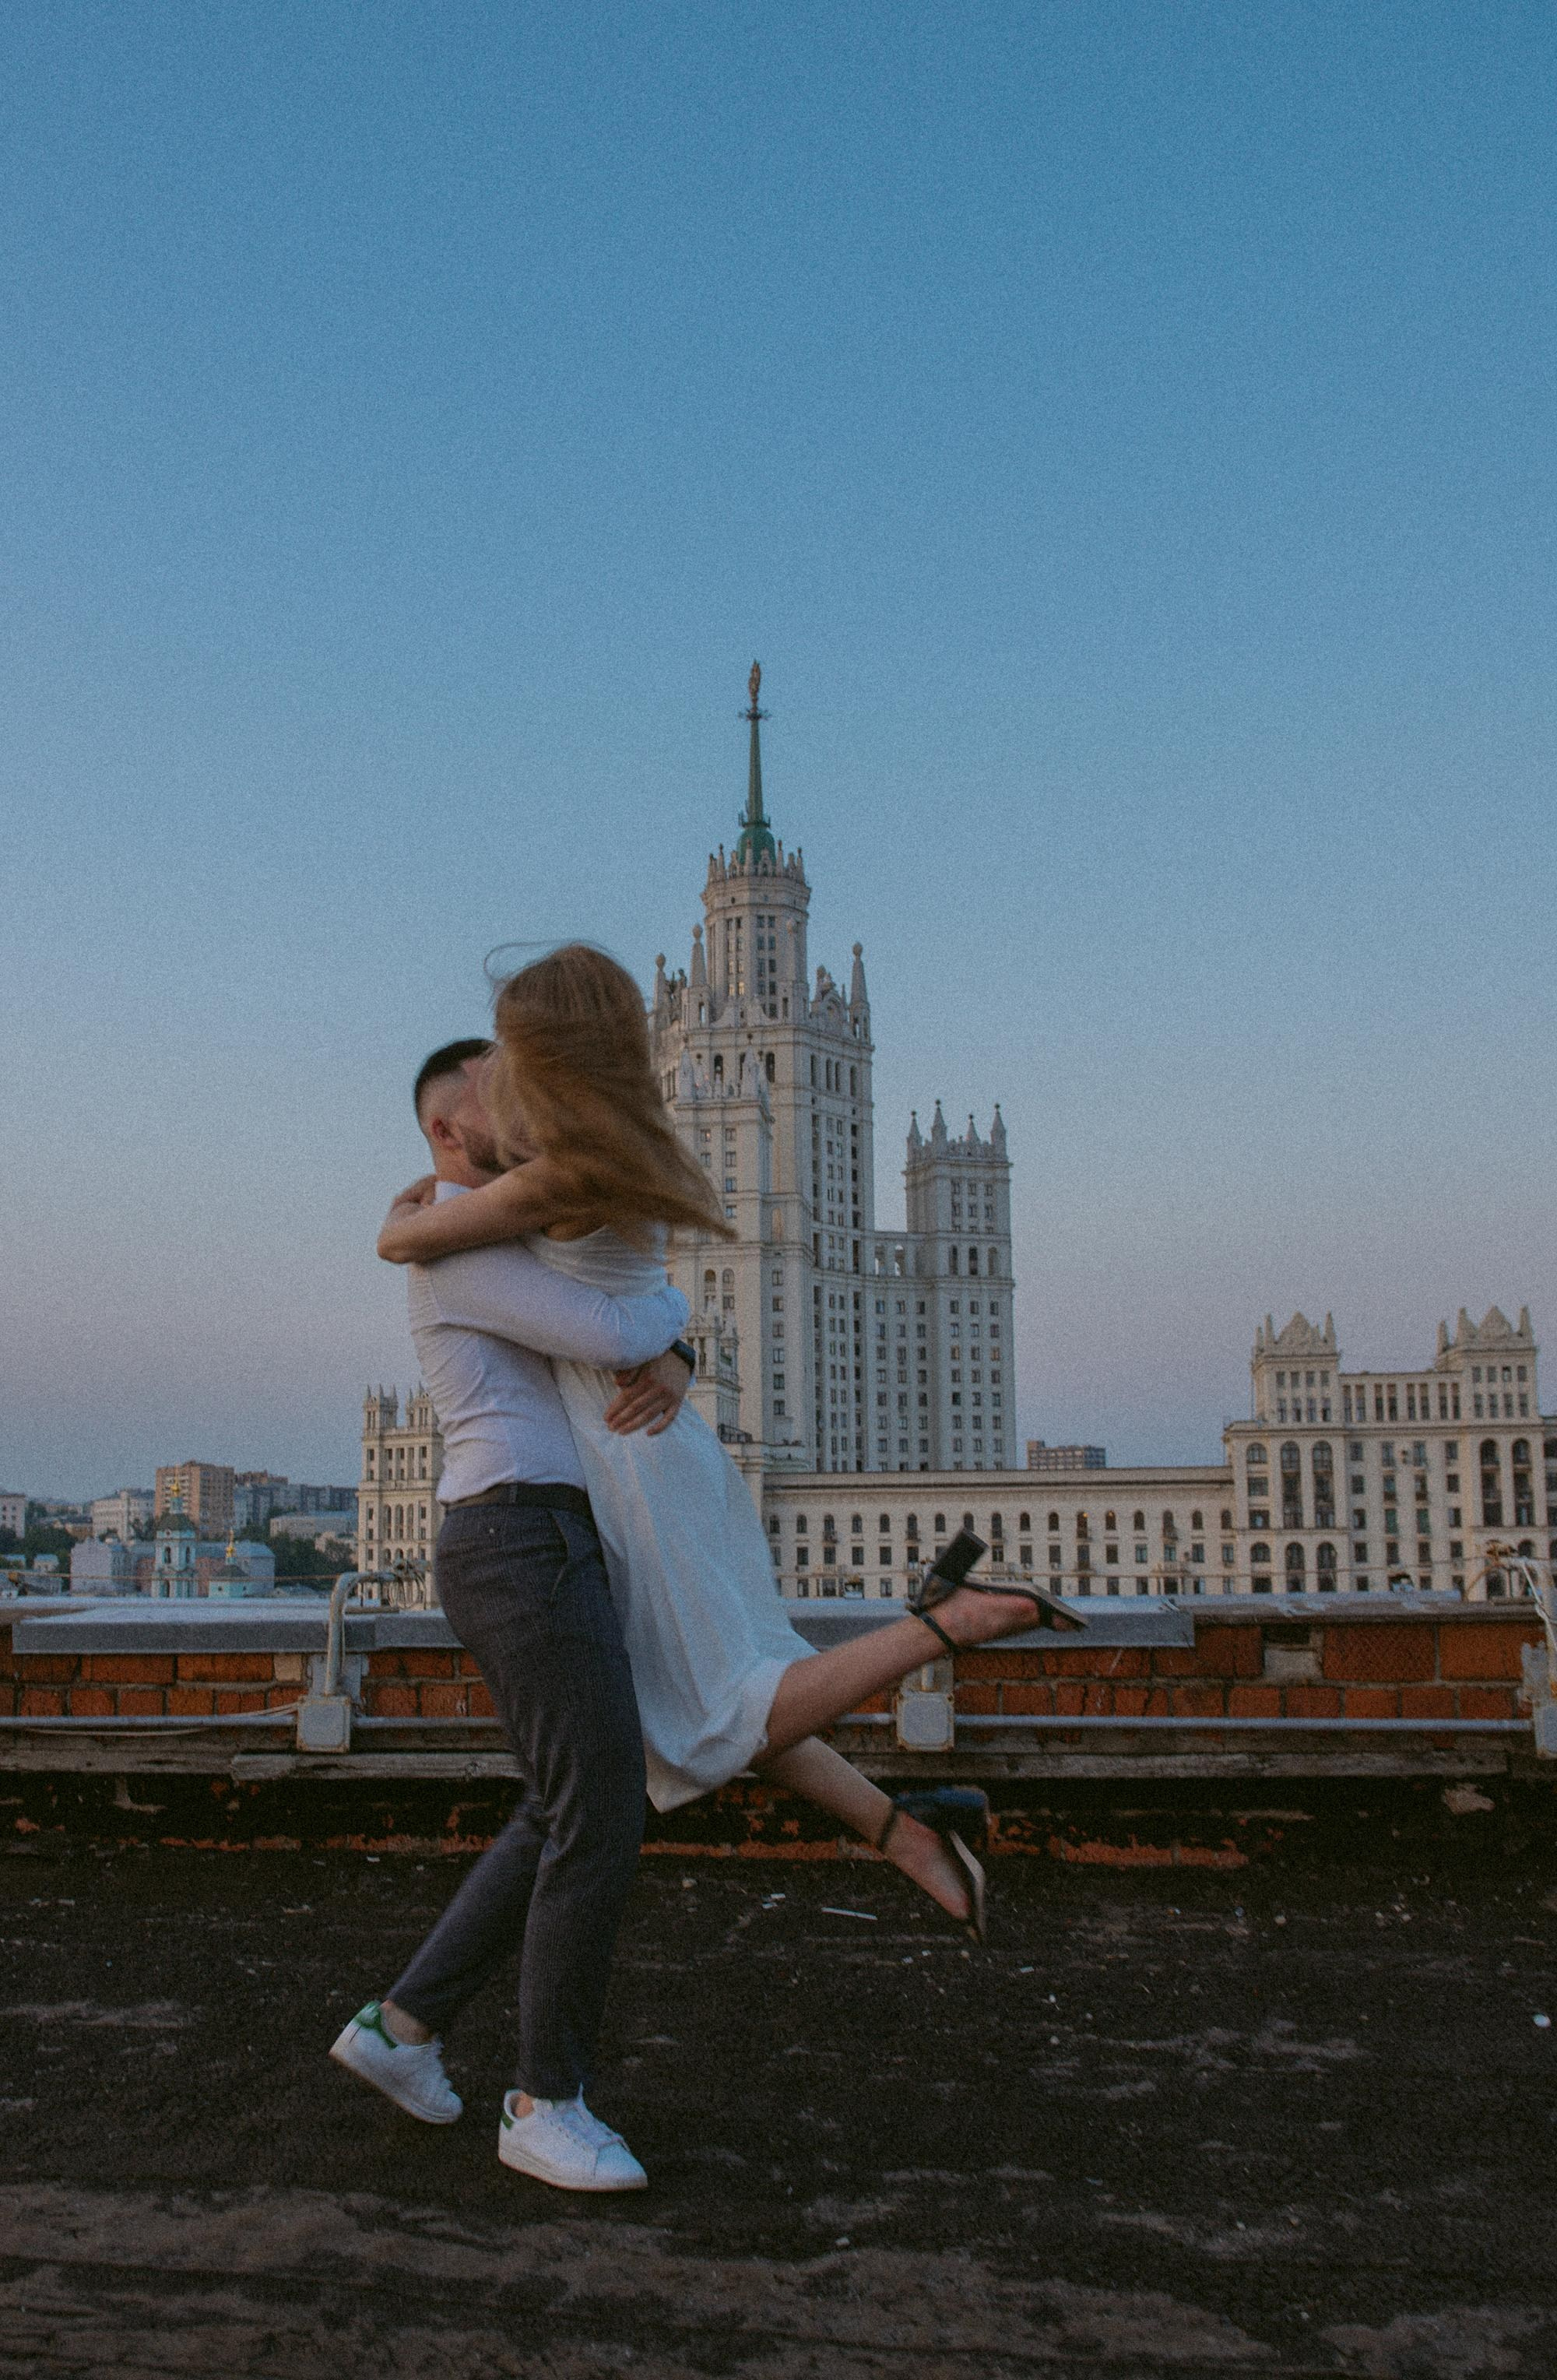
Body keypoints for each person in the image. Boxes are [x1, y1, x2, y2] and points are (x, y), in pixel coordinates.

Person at [378, 950, 1066, 1957]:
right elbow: (635, 1290)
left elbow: (424, 1241)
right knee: (715, 1694)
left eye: (512, 1052)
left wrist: (407, 1225)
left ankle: (944, 1625)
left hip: (631, 1468)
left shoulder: (565, 1169)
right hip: (665, 1450)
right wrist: (682, 1338)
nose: (501, 1070)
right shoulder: (632, 1143)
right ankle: (912, 1833)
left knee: (717, 1710)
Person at [332, 1037, 700, 2195]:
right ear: (450, 1130)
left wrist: (678, 1347)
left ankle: (401, 2028)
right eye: (506, 1092)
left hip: (532, 1534)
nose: (534, 1103)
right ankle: (547, 2101)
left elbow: (627, 1323)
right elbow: (612, 1330)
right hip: (514, 1535)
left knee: (563, 1803)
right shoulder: (451, 1236)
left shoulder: (478, 1227)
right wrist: (677, 1329)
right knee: (601, 1811)